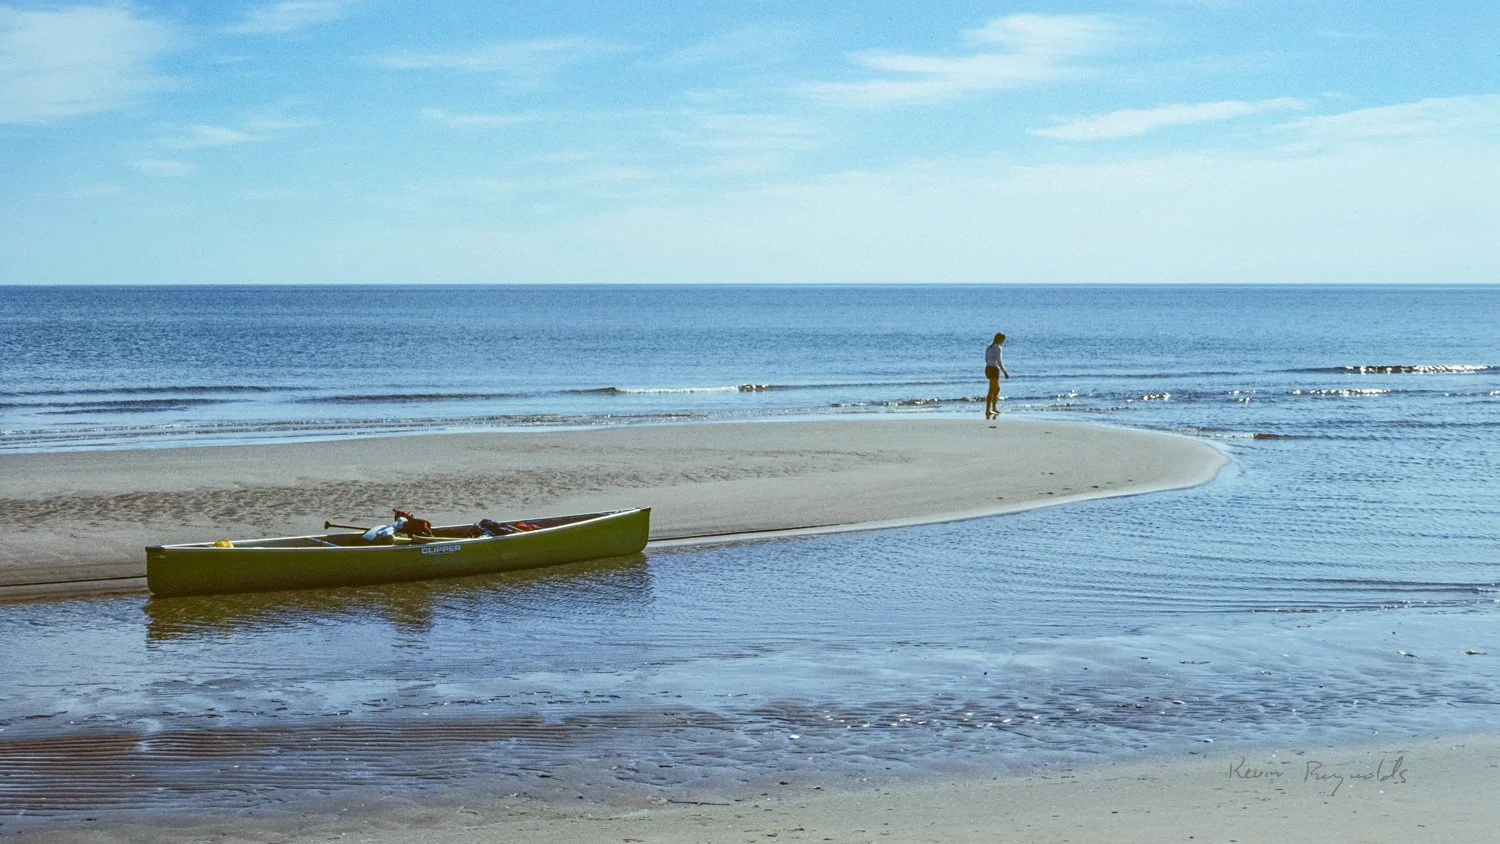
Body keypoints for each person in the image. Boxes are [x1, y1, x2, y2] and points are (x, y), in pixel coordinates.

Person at [984, 332, 1009, 420]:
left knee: (997, 388)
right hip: (994, 369)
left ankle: (994, 408)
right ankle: (988, 410)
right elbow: (999, 361)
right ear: (1000, 339)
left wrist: (989, 365)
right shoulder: (998, 348)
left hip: (988, 367)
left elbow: (986, 358)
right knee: (991, 389)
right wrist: (1004, 371)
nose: (1003, 341)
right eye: (1003, 340)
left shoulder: (989, 346)